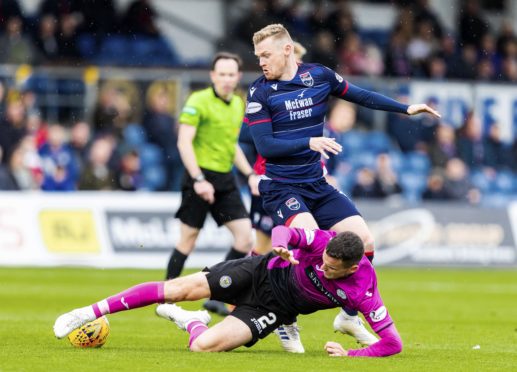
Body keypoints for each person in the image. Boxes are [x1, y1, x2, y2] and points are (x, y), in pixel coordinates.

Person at [245, 24, 440, 346]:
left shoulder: (318, 76)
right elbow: (265, 146)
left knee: (363, 241)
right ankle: (284, 318)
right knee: (309, 243)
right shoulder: (259, 92)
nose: (261, 62)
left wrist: (404, 108)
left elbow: (359, 95)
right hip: (282, 187)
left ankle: (348, 316)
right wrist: (310, 141)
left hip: (317, 184)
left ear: (287, 50)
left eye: (266, 55)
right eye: (258, 56)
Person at [53, 225, 402, 357]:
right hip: (257, 271)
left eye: (331, 268)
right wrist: (280, 246)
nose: (323, 267)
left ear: (352, 268)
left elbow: (392, 343)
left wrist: (351, 356)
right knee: (179, 288)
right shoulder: (323, 242)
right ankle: (88, 312)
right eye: (323, 261)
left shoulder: (363, 290)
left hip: (272, 310)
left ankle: (191, 323)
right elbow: (285, 230)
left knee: (204, 348)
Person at [167, 52, 258, 316]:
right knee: (188, 240)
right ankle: (166, 296)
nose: (227, 79)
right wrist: (198, 179)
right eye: (222, 74)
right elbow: (184, 142)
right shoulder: (198, 100)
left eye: (232, 75)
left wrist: (250, 174)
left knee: (244, 237)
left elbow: (232, 147)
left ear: (238, 77)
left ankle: (218, 292)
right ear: (213, 75)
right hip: (199, 176)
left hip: (225, 179)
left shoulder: (239, 104)